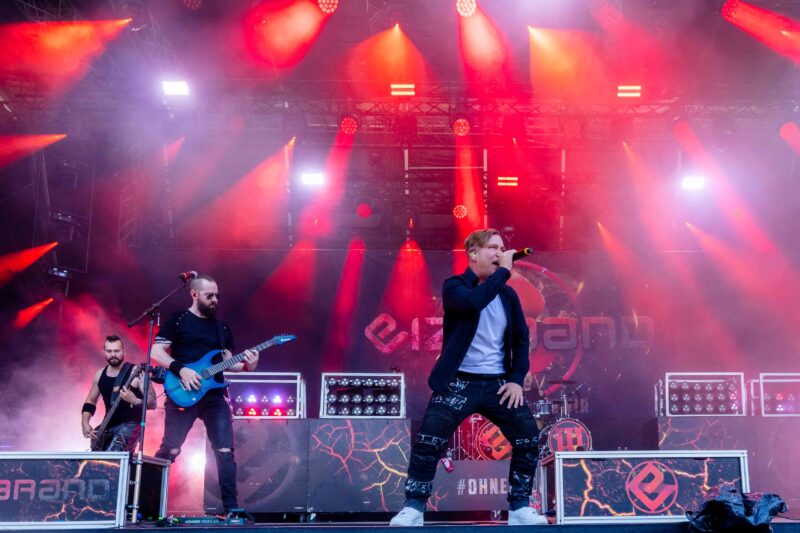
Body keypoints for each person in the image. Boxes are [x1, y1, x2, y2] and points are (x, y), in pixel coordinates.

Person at [390, 228, 548, 526]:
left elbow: (520, 339)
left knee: (528, 437)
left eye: (502, 248)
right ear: (473, 254)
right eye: (492, 248)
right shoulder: (455, 286)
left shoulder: (508, 295)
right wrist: (505, 272)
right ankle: (413, 508)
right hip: (459, 382)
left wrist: (516, 379)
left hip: (498, 384)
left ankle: (519, 507)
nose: (500, 253)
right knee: (429, 441)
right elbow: (473, 303)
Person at [151, 274, 258, 519]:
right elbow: (156, 352)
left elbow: (228, 362)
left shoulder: (222, 328)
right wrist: (181, 369)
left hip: (214, 396)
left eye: (217, 296)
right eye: (210, 296)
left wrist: (247, 366)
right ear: (194, 294)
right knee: (170, 449)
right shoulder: (178, 320)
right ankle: (149, 503)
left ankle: (231, 508)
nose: (215, 300)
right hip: (182, 390)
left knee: (224, 450)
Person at [82, 335, 156, 451]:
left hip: (130, 426)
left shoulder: (136, 372)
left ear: (124, 351)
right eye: (109, 351)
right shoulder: (100, 374)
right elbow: (91, 401)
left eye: (117, 351)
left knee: (113, 456)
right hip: (107, 427)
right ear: (104, 352)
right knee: (96, 460)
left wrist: (135, 400)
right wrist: (85, 423)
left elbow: (153, 403)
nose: (113, 354)